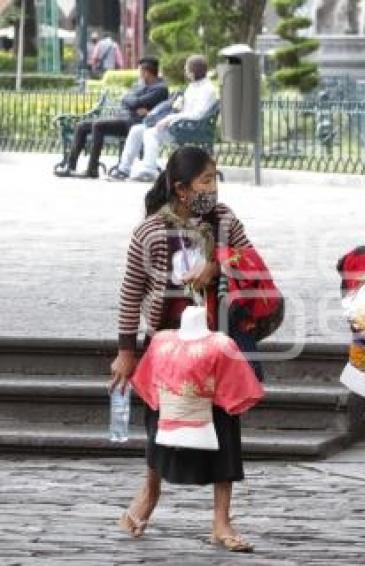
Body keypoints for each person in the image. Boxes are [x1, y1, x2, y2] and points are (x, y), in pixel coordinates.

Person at [108, 147, 261, 553]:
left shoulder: (224, 220)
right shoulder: (151, 231)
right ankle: (149, 492)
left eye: (215, 179)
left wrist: (219, 265)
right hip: (166, 346)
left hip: (215, 345)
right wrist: (126, 350)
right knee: (160, 423)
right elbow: (131, 291)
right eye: (205, 180)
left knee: (225, 426)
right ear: (180, 189)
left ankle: (222, 521)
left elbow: (253, 263)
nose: (213, 188)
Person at [55, 57, 168, 179]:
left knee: (98, 125)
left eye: (140, 71)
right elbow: (126, 99)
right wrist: (135, 103)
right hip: (123, 118)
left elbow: (133, 102)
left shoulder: (160, 89)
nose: (139, 74)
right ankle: (71, 166)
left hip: (134, 123)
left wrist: (135, 103)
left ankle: (92, 169)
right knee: (82, 126)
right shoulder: (140, 85)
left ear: (147, 72)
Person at [109, 55, 217, 182]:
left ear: (193, 71)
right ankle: (124, 169)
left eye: (187, 69)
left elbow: (197, 115)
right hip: (179, 124)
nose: (186, 72)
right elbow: (184, 111)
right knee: (137, 130)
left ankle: (149, 170)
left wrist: (170, 118)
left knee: (151, 133)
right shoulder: (192, 87)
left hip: (189, 128)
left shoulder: (207, 89)